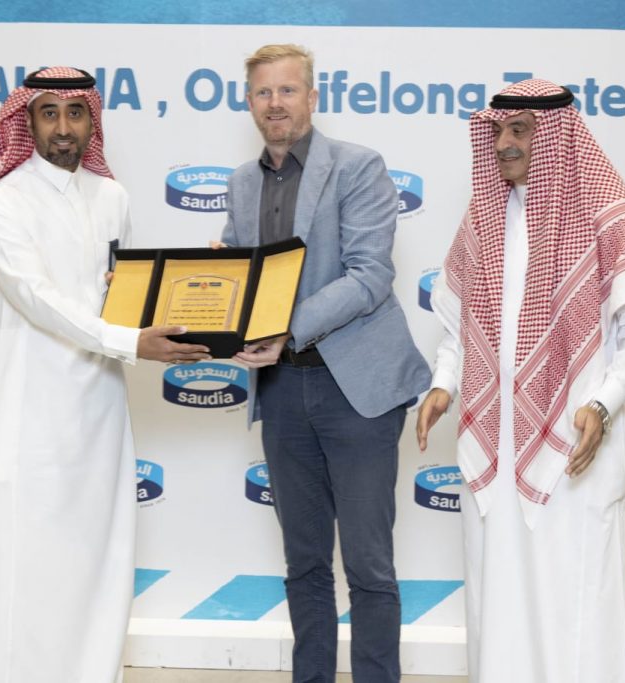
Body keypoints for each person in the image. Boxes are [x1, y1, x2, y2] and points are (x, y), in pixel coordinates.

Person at [416, 79, 625, 683]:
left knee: (574, 601)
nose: (503, 144)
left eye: (520, 130)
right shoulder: (484, 217)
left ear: (557, 138)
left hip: (573, 439)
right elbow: (459, 325)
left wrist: (604, 402)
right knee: (497, 597)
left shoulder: (606, 212)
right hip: (494, 436)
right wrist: (444, 383)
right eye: (498, 131)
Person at [0, 66, 209, 683]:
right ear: (27, 121)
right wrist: (130, 341)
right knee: (25, 564)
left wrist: (195, 297)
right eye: (49, 113)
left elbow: (116, 295)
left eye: (75, 113)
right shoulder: (3, 202)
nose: (63, 127)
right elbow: (36, 299)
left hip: (100, 413)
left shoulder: (112, 197)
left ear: (93, 121)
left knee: (97, 562)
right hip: (29, 411)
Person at [218, 44, 431, 683]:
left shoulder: (358, 166)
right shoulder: (241, 182)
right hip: (282, 389)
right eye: (263, 92)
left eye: (287, 91)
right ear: (249, 102)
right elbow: (240, 276)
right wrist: (196, 288)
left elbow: (369, 275)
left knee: (368, 565)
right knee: (304, 563)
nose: (275, 104)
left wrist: (285, 329)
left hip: (357, 390)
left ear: (312, 98)